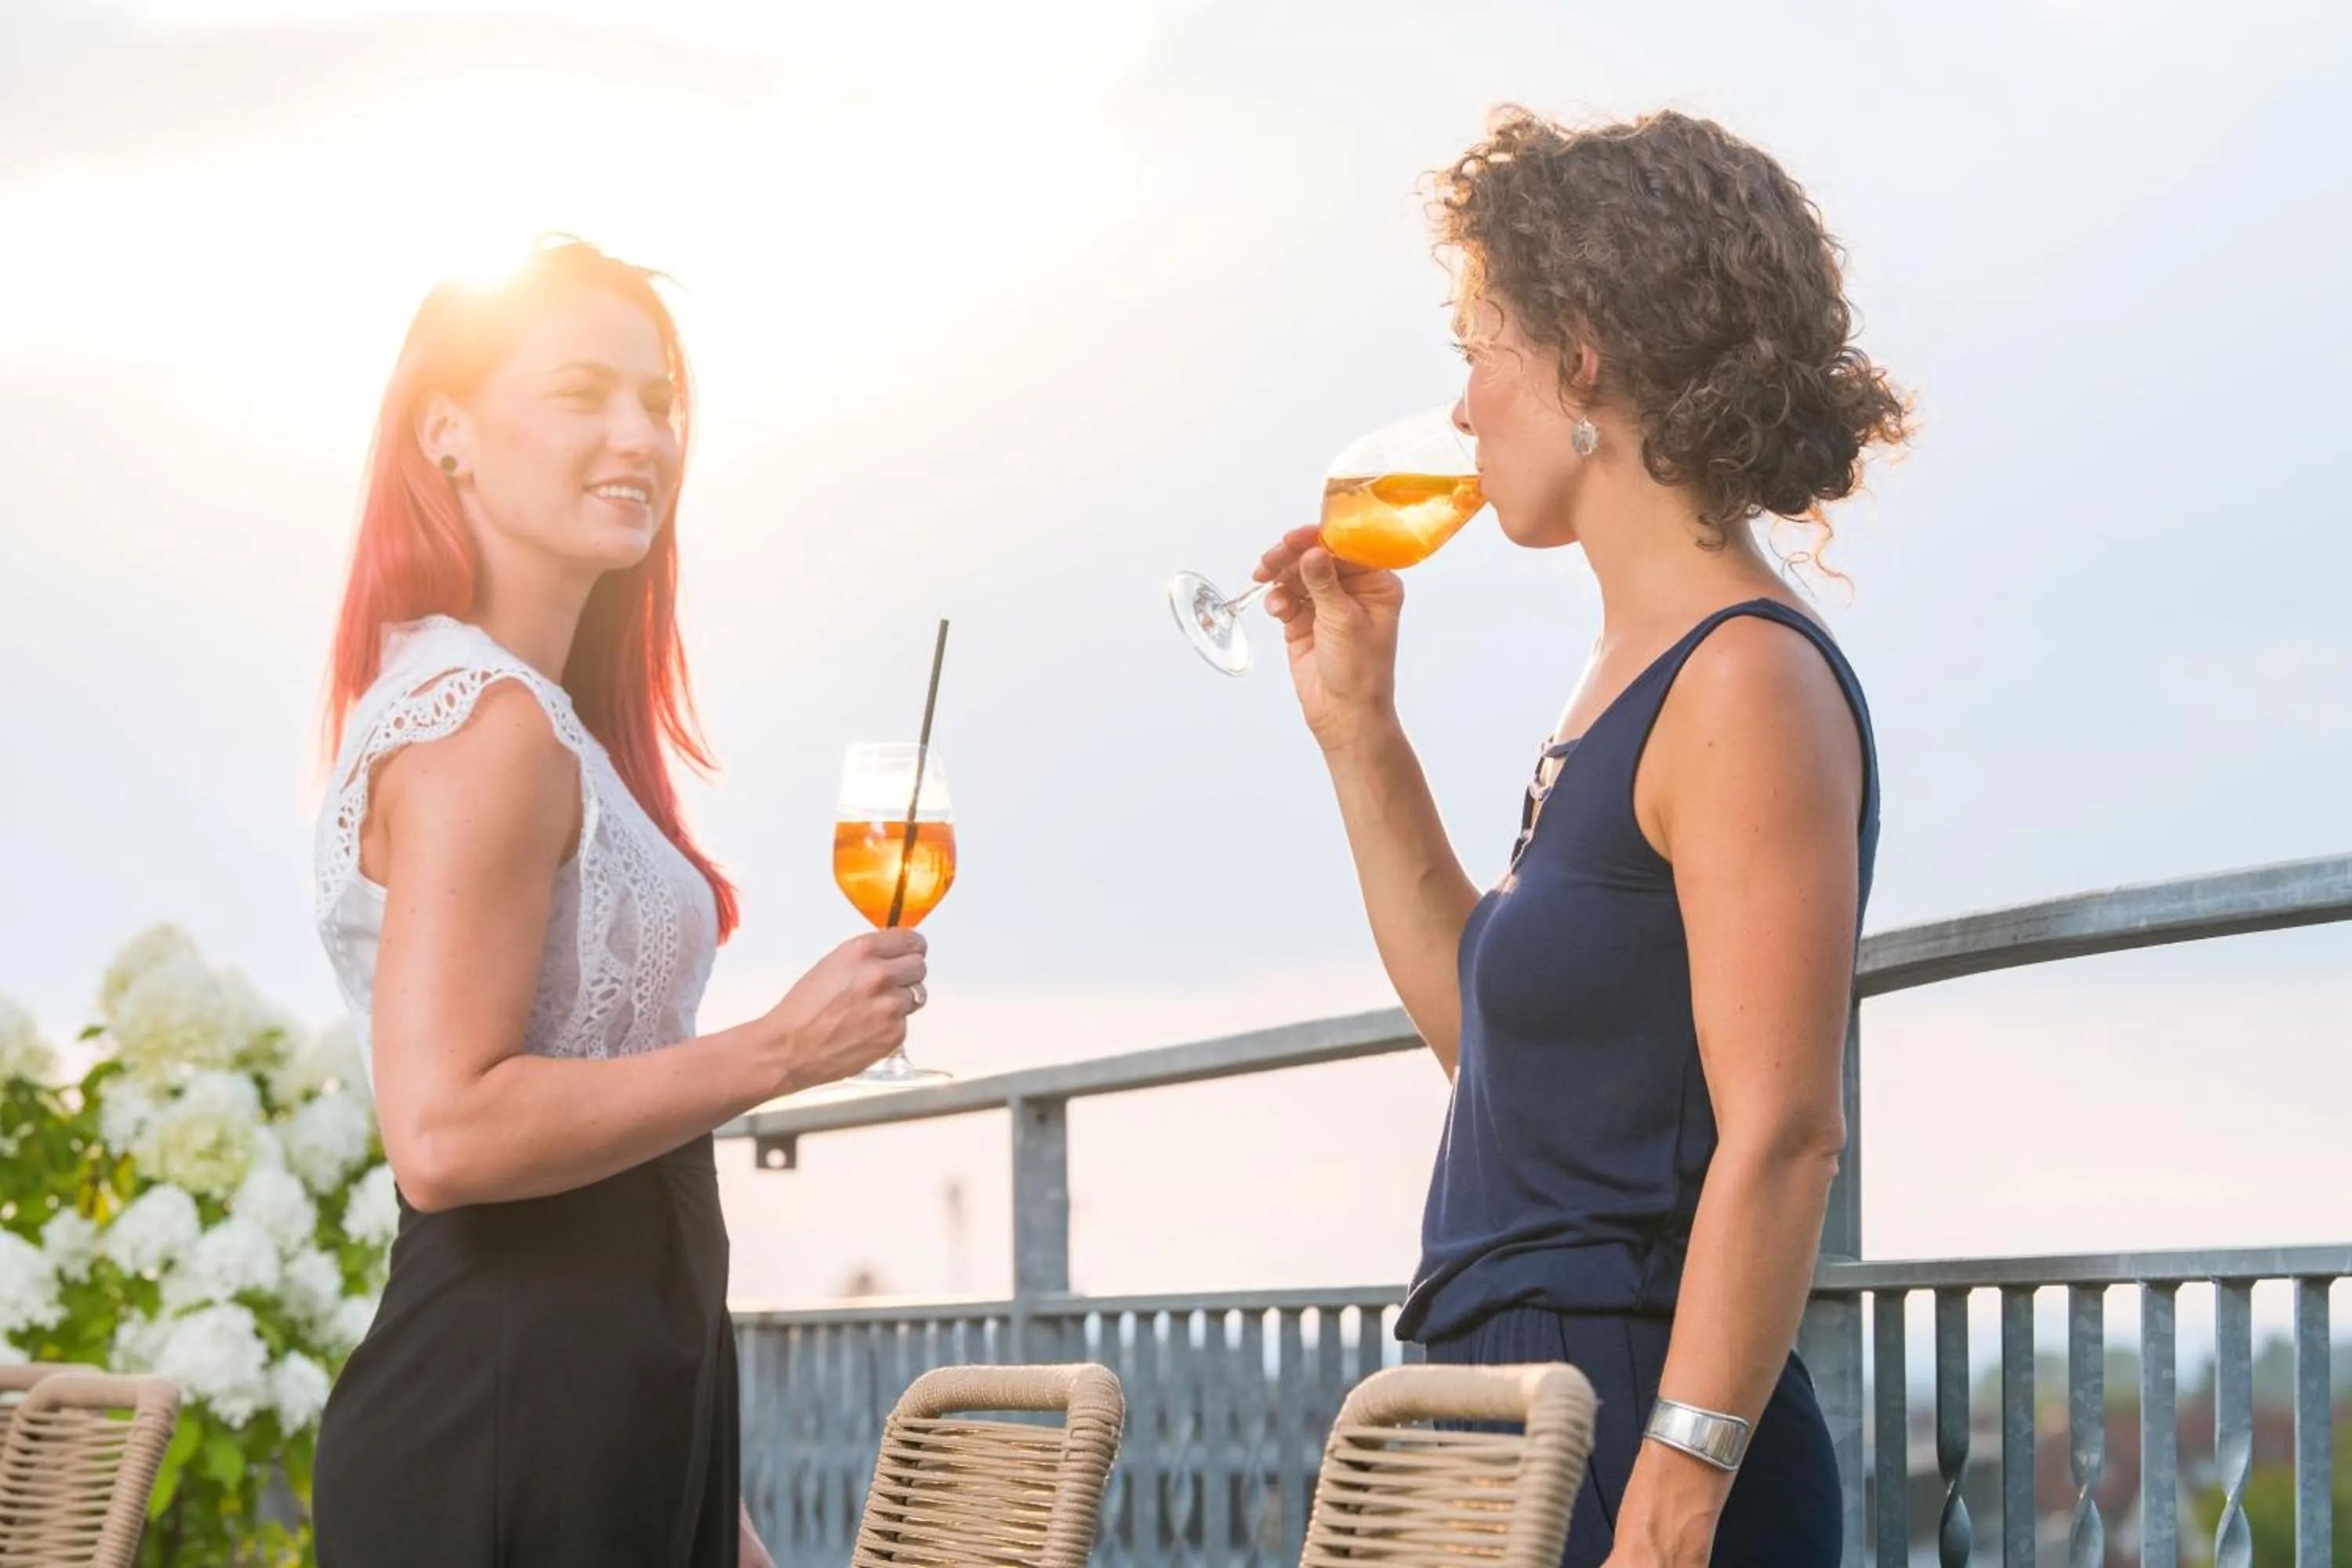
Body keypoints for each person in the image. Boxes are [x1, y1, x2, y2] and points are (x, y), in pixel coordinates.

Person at [1258, 108, 1910, 1565]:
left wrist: (1676, 1499)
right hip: (1511, 1421)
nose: (1466, 408)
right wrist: (1360, 731)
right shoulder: (1630, 674)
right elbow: (1496, 1061)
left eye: (1481, 348)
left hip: (1633, 1439)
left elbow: (1786, 1132)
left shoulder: (1743, 679)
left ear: (1586, 357)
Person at [308, 238, 927, 1566]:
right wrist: (781, 1051)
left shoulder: (542, 720)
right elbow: (447, 1133)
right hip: (507, 1439)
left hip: (608, 1425)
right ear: (448, 434)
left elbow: (610, 1151)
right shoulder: (487, 724)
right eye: (584, 393)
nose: (639, 436)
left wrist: (720, 1513)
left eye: (659, 402)